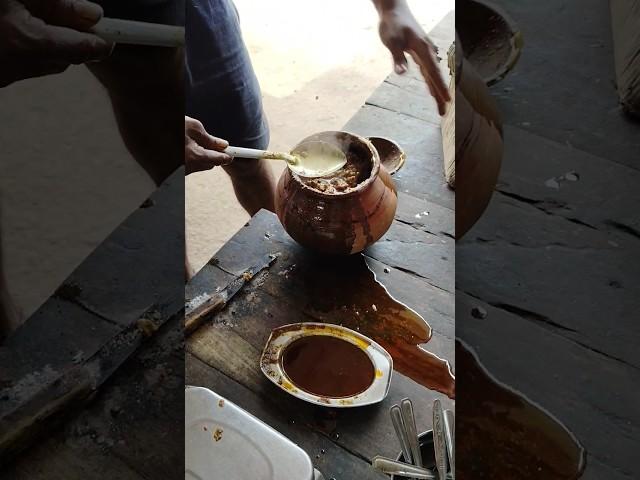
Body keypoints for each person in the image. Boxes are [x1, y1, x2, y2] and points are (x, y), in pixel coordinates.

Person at [184, 0, 451, 213]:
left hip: (200, 15)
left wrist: (390, 6)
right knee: (161, 187)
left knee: (247, 158)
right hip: (140, 39)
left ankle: (274, 234)